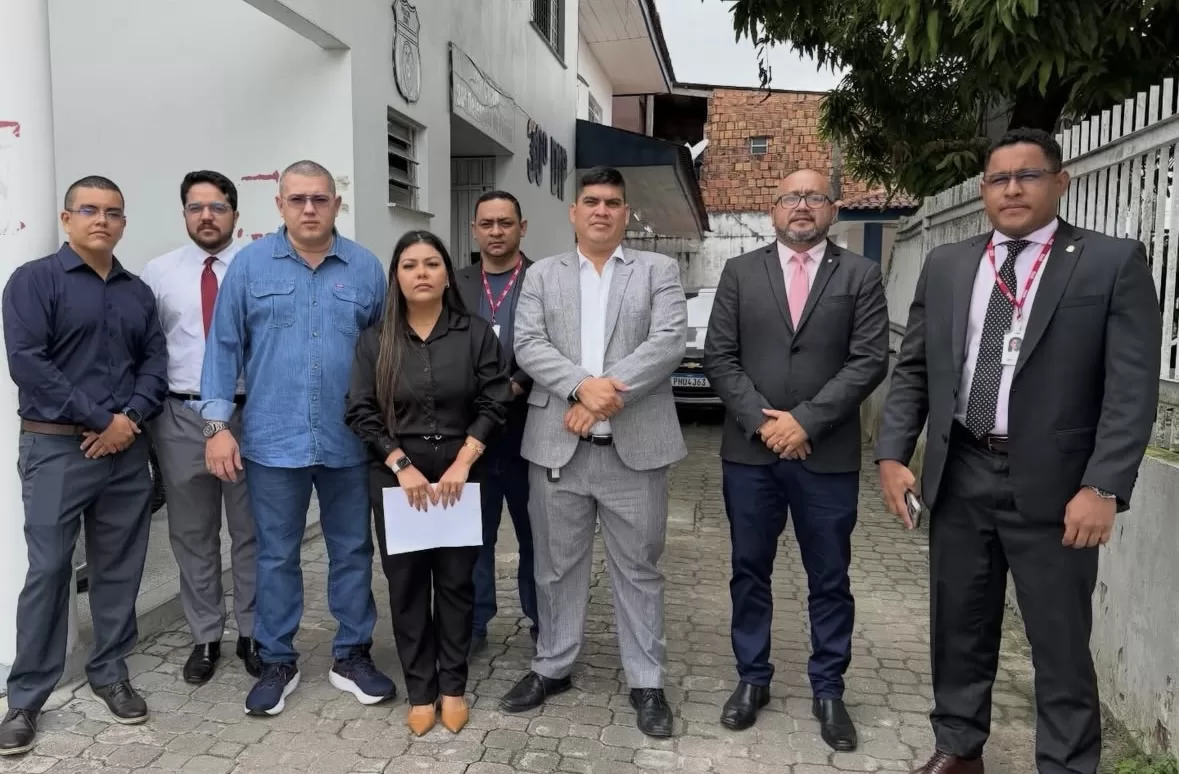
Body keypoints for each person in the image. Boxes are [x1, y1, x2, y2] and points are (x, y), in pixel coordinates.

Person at [876, 128, 1162, 774]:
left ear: (1059, 183)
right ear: (983, 190)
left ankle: (1065, 764)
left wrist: (1103, 485)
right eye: (998, 179)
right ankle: (958, 748)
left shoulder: (1108, 262)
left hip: (1059, 486)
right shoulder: (948, 265)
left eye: (1027, 176)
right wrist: (892, 454)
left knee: (1059, 642)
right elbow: (915, 368)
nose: (1011, 189)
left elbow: (1131, 388)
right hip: (961, 471)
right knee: (958, 624)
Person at [197, 160, 395, 716]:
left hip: (348, 442)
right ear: (280, 204)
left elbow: (386, 355)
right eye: (298, 199)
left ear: (337, 204)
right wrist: (216, 426)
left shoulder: (365, 269)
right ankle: (277, 659)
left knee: (352, 551)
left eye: (320, 198)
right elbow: (223, 348)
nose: (309, 208)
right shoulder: (250, 266)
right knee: (275, 555)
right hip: (271, 440)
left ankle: (351, 655)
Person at [703, 169, 888, 749]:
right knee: (748, 571)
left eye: (814, 197)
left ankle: (829, 689)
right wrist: (767, 424)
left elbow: (869, 359)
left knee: (829, 577)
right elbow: (719, 357)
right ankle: (752, 679)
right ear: (773, 209)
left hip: (826, 455)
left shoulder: (860, 274)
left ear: (834, 209)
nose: (801, 206)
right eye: (790, 197)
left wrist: (805, 421)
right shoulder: (739, 272)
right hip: (750, 456)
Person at [501, 166, 688, 739]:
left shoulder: (658, 270)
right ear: (573, 212)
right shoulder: (542, 275)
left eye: (612, 202)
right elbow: (528, 343)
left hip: (637, 450)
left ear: (626, 213)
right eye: (591, 201)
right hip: (559, 447)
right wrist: (582, 388)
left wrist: (604, 397)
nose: (601, 210)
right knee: (555, 567)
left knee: (639, 569)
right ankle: (552, 665)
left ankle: (646, 681)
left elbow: (667, 343)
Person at [0, 176, 167, 755]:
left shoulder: (137, 292)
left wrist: (129, 420)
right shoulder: (34, 281)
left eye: (112, 212)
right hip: (56, 449)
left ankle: (110, 672)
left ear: (123, 223)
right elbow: (29, 363)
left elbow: (155, 363)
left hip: (126, 449)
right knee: (49, 570)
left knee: (119, 566)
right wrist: (101, 419)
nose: (102, 220)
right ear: (66, 218)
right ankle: (25, 697)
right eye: (89, 210)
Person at [345, 230, 512, 736]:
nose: (421, 273)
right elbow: (360, 411)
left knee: (458, 583)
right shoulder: (375, 340)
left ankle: (453, 687)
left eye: (432, 263)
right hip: (399, 480)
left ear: (447, 275)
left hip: (462, 475)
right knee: (408, 586)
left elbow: (495, 400)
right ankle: (421, 691)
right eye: (410, 265)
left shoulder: (475, 333)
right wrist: (400, 464)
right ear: (395, 276)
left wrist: (464, 460)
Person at [140, 170, 261, 685]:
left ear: (236, 214)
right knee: (193, 535)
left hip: (248, 415)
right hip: (182, 417)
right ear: (185, 214)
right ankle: (206, 635)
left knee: (252, 532)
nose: (206, 216)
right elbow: (146, 347)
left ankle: (253, 633)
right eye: (196, 207)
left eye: (217, 207)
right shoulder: (158, 273)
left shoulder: (258, 267)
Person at [454, 190, 538, 655]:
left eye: (505, 223)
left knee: (536, 537)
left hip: (531, 431)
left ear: (522, 227)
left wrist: (517, 385)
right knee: (473, 536)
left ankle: (543, 619)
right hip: (472, 435)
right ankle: (474, 622)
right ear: (474, 230)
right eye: (487, 224)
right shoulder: (456, 283)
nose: (496, 232)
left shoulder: (545, 279)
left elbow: (557, 343)